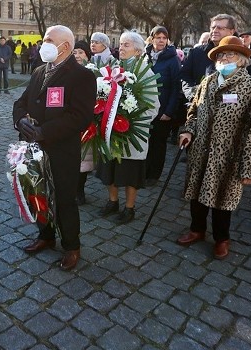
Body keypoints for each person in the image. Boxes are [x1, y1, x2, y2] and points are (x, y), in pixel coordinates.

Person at [14, 25, 96, 271]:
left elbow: (79, 116)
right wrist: (21, 121)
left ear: (66, 47)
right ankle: (46, 235)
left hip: (62, 149)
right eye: (44, 40)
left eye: (49, 40)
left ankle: (72, 245)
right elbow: (22, 101)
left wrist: (45, 131)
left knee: (63, 198)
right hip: (33, 147)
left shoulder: (81, 76)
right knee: (38, 193)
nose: (44, 44)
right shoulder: (40, 71)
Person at [176, 36, 251, 259]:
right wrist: (188, 130)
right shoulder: (208, 81)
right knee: (196, 194)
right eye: (221, 55)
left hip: (229, 155)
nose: (225, 58)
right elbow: (194, 111)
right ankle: (197, 230)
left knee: (222, 199)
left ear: (243, 59)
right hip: (200, 150)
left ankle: (221, 239)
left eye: (230, 54)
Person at [96, 31, 159, 223]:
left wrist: (131, 119)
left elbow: (153, 105)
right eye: (121, 44)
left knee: (130, 172)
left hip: (132, 131)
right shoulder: (113, 68)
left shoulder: (144, 71)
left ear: (138, 51)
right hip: (111, 130)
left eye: (126, 45)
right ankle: (112, 201)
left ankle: (129, 208)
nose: (121, 48)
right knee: (110, 168)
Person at [144, 25, 181, 186]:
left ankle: (154, 174)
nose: (161, 40)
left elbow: (175, 87)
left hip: (163, 108)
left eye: (164, 38)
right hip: (146, 107)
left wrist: (169, 111)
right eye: (158, 37)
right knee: (146, 141)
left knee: (158, 144)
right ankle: (144, 171)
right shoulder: (146, 56)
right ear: (151, 38)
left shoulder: (173, 59)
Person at [179, 14, 236, 101]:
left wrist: (224, 100)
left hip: (232, 110)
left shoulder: (242, 55)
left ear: (231, 32)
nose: (215, 31)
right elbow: (185, 76)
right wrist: (192, 95)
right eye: (213, 28)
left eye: (220, 28)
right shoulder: (197, 53)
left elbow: (248, 87)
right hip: (200, 108)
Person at [71, 41, 93, 205]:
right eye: (74, 52)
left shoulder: (93, 72)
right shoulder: (66, 71)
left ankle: (80, 190)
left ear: (87, 55)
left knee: (84, 161)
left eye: (81, 52)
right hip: (69, 122)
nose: (77, 56)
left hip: (87, 124)